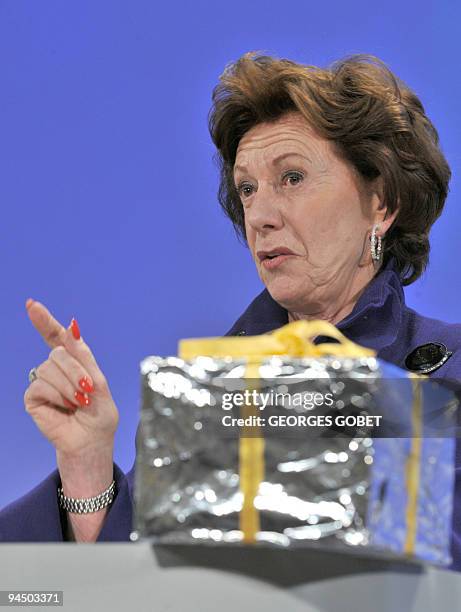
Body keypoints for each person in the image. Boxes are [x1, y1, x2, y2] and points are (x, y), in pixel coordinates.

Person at [1, 52, 460, 569]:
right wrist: (87, 466)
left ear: (380, 202)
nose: (260, 216)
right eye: (247, 189)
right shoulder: (208, 395)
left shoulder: (453, 373)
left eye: (291, 177)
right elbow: (134, 587)